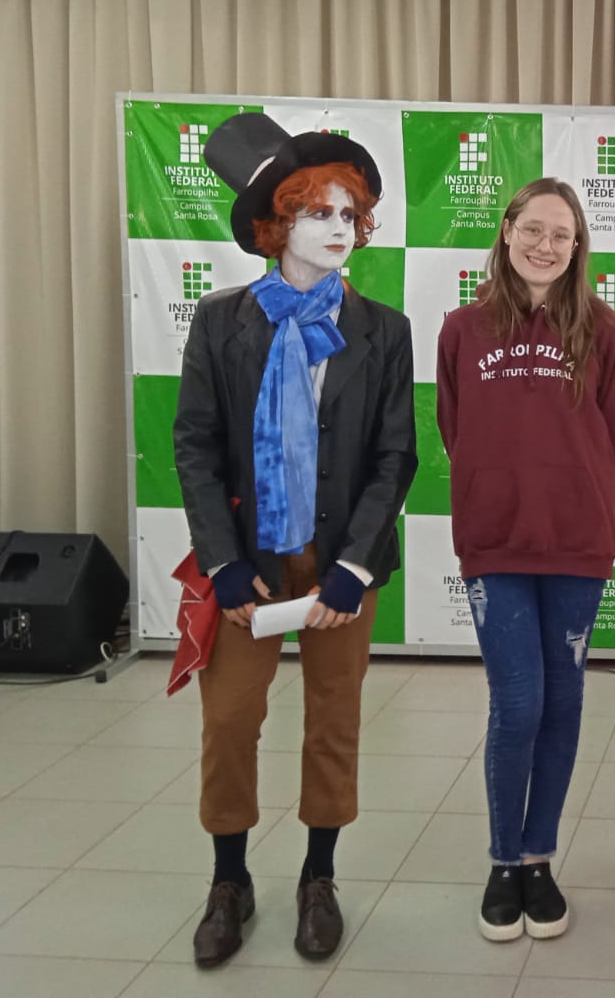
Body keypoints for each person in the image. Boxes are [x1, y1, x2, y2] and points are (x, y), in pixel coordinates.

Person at [175, 114, 417, 967]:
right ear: (276, 226)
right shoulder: (221, 322)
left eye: (350, 215)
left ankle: (320, 877)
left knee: (334, 721)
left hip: (341, 563)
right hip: (250, 560)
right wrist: (222, 560)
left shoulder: (383, 329)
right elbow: (195, 447)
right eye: (318, 213)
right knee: (230, 722)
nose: (339, 229)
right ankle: (229, 881)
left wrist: (354, 565)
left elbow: (394, 455)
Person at [436, 178, 615, 942]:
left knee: (563, 702)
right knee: (517, 703)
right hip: (496, 542)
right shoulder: (462, 329)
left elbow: (614, 435)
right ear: (507, 229)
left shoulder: (604, 330)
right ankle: (502, 861)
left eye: (562, 234)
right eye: (534, 229)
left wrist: (567, 486)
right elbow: (455, 426)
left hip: (577, 542)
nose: (546, 246)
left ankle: (539, 858)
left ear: (578, 245)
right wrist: (501, 485)